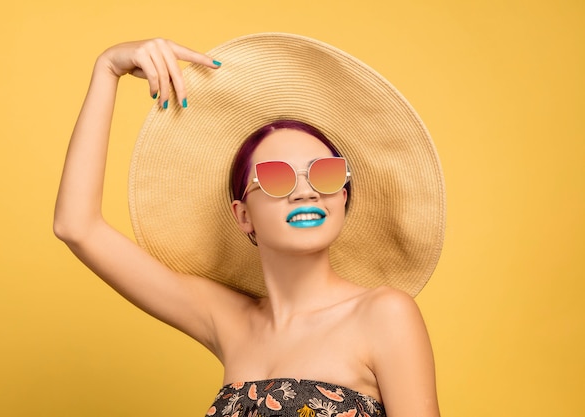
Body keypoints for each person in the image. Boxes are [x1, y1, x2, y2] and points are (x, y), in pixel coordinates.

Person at [54, 33, 445, 417]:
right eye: (277, 178)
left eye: (325, 174)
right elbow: (77, 227)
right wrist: (107, 68)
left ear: (342, 195)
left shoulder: (384, 314)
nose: (306, 192)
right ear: (243, 215)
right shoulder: (229, 321)